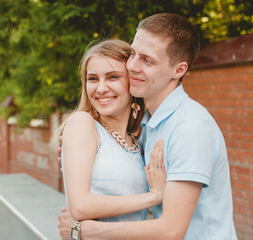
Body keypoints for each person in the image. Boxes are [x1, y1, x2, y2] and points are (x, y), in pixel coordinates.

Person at [58, 13, 237, 240]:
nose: (132, 66)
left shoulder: (189, 127)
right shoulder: (147, 127)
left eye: (147, 60)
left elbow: (171, 230)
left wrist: (84, 230)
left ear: (178, 70)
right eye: (133, 54)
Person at [56, 39, 167, 227]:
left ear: (132, 81)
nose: (100, 88)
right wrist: (154, 196)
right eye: (92, 79)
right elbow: (80, 207)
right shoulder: (82, 123)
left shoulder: (137, 142)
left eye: (112, 77)